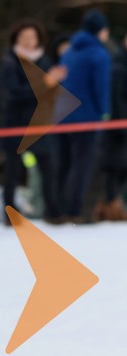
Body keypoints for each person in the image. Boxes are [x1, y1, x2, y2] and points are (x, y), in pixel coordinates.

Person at [0, 20, 65, 224]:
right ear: (16, 39)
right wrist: (44, 84)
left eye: (32, 37)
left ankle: (53, 211)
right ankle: (10, 213)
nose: (28, 41)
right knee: (13, 170)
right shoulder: (9, 61)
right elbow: (14, 94)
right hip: (15, 124)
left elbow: (51, 96)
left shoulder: (44, 62)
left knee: (48, 168)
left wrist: (53, 87)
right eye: (24, 37)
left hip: (40, 124)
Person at [55, 9, 112, 223]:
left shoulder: (69, 51)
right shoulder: (99, 54)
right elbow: (101, 87)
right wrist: (104, 112)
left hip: (63, 116)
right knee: (82, 165)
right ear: (100, 31)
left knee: (64, 164)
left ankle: (57, 209)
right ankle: (75, 211)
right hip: (86, 118)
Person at [97, 32, 127, 221]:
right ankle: (109, 208)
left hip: (120, 125)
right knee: (115, 168)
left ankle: (113, 205)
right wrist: (122, 125)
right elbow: (117, 100)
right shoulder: (118, 66)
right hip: (117, 125)